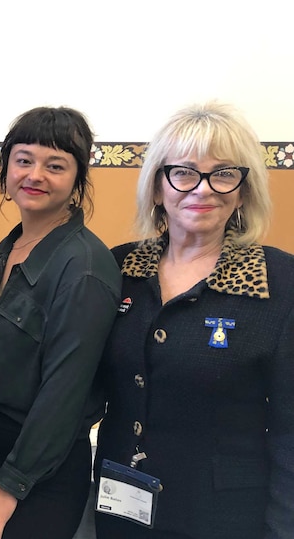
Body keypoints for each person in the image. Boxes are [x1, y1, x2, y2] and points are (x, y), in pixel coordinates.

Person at [94, 102, 294, 539]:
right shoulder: (119, 267)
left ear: (243, 189)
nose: (202, 189)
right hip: (120, 508)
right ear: (157, 186)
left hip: (224, 517)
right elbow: (80, 379)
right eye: (183, 172)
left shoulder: (280, 282)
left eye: (223, 173)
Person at [0, 107, 122, 539]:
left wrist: (10, 486)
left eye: (55, 166)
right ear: (6, 166)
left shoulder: (84, 267)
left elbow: (64, 392)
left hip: (35, 471)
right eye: (24, 159)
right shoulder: (14, 245)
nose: (35, 175)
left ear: (78, 179)